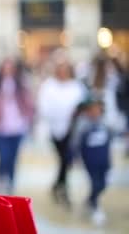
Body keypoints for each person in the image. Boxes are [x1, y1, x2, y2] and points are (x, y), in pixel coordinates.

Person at [37, 51, 85, 208]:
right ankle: (60, 187)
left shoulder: (76, 86)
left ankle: (60, 187)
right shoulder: (49, 86)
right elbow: (44, 107)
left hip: (72, 129)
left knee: (66, 160)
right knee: (63, 159)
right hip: (54, 128)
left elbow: (82, 105)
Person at [0, 57, 35, 195]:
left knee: (13, 157)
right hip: (0, 127)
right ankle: (0, 178)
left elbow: (29, 102)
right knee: (3, 156)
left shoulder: (20, 84)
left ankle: (11, 181)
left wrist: (29, 118)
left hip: (17, 126)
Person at [69, 95, 112, 226]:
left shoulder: (105, 122)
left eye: (98, 108)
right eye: (92, 109)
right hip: (90, 161)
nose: (95, 111)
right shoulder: (83, 124)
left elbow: (112, 136)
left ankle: (90, 199)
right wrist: (73, 158)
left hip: (104, 160)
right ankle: (95, 206)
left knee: (103, 183)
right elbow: (75, 142)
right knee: (95, 183)